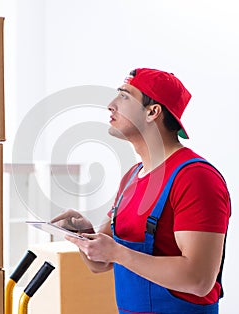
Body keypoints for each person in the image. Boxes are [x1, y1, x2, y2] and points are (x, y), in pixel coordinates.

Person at [51, 68, 231, 314]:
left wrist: (119, 253)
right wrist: (84, 234)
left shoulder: (195, 178)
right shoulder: (131, 178)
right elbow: (100, 263)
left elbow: (198, 280)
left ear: (152, 112)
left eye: (124, 96)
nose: (111, 105)